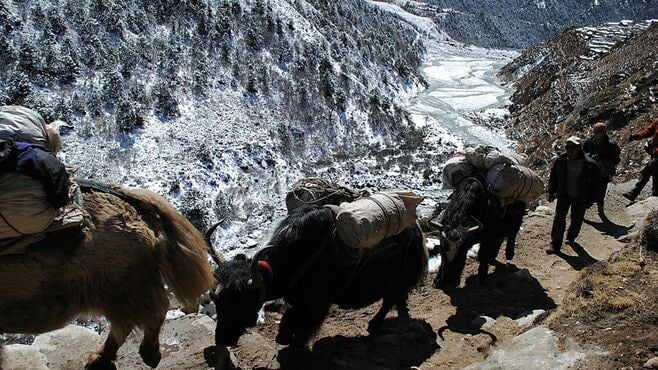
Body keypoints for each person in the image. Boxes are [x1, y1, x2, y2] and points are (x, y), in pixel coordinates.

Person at [546, 136, 602, 254]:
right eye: (567, 147)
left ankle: (571, 237)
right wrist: (551, 191)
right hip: (564, 194)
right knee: (559, 218)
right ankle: (555, 244)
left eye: (573, 147)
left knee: (576, 219)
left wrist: (591, 200)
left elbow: (597, 185)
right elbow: (554, 176)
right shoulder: (561, 161)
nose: (569, 150)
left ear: (579, 148)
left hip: (581, 196)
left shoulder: (590, 165)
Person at [583, 122, 621, 216]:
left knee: (601, 191)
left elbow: (616, 159)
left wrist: (603, 159)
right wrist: (590, 157)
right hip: (591, 170)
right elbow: (583, 153)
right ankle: (585, 206)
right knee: (588, 189)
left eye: (598, 131)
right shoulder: (590, 142)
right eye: (595, 131)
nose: (596, 133)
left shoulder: (610, 145)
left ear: (604, 132)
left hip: (603, 171)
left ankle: (600, 209)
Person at [623, 117, 658, 203]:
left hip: (656, 153)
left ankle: (634, 192)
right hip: (655, 153)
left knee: (647, 170)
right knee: (655, 173)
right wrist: (637, 136)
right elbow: (648, 131)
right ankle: (655, 194)